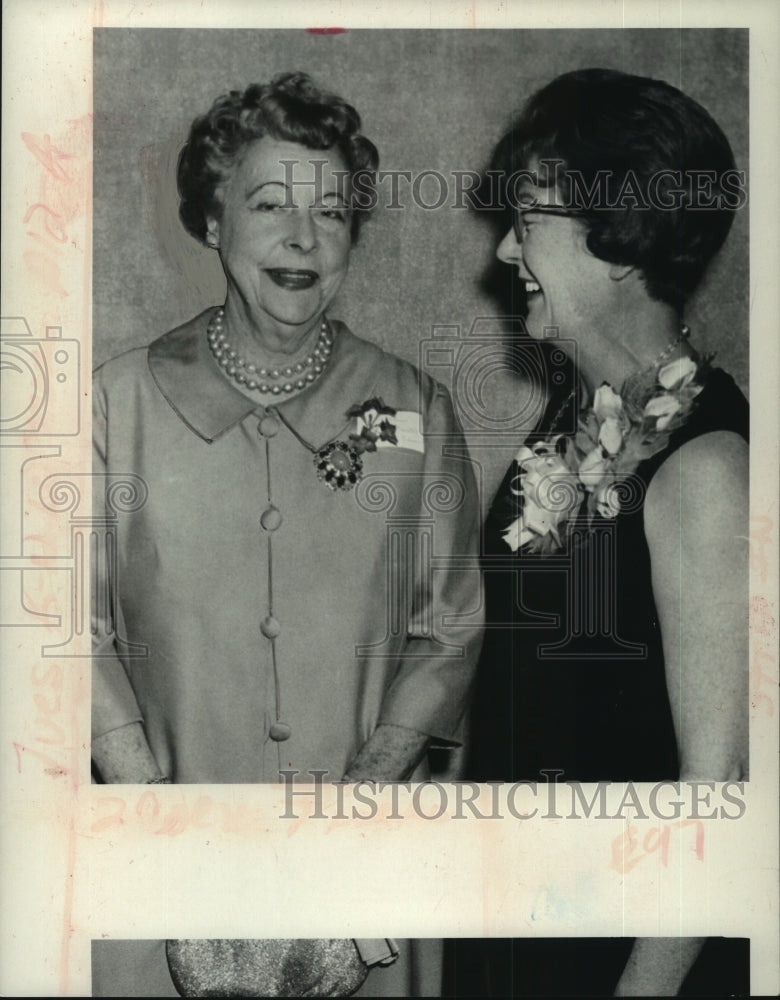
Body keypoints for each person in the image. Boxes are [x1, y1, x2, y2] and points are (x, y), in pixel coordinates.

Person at [89, 72, 482, 997]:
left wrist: (355, 810)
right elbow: (69, 628)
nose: (305, 239)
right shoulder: (115, 405)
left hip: (364, 878)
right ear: (213, 222)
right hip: (157, 875)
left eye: (334, 213)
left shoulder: (413, 406)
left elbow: (450, 626)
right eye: (270, 205)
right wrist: (159, 827)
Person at [460, 68, 749, 996]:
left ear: (621, 241)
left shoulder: (708, 470)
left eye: (528, 222)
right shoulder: (575, 421)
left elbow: (721, 786)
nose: (505, 250)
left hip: (625, 962)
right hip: (517, 930)